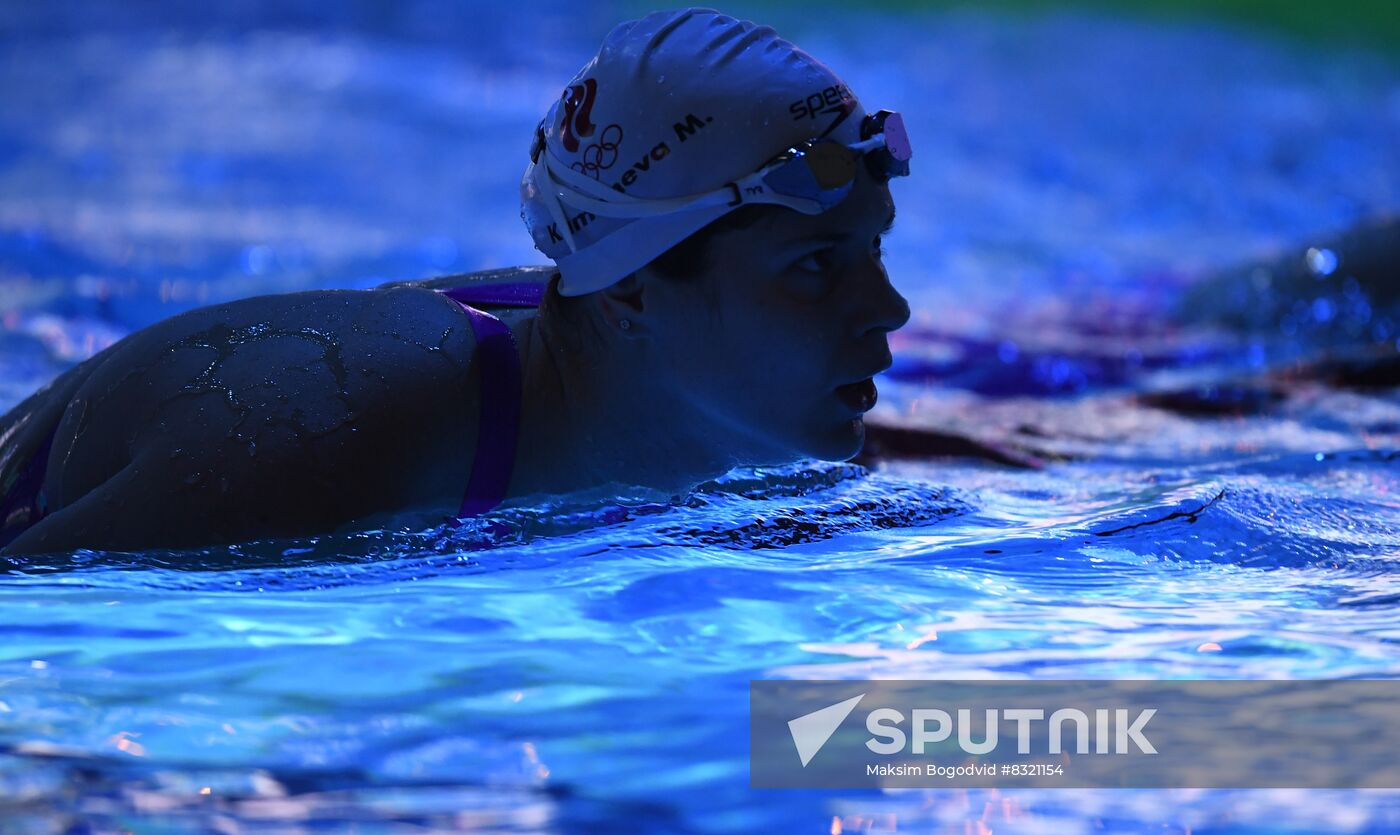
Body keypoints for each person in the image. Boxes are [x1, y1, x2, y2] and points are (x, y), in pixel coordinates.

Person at [0, 7, 912, 556]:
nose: (892, 309)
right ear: (632, 293)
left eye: (871, 252)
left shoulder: (722, 406)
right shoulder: (328, 431)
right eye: (816, 267)